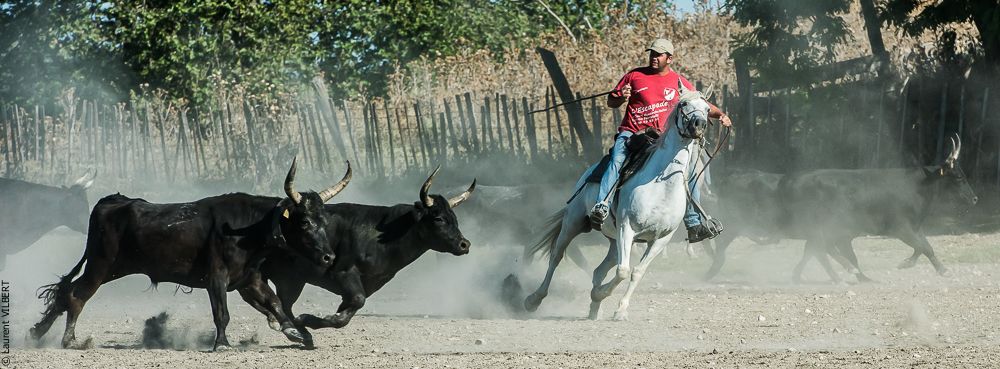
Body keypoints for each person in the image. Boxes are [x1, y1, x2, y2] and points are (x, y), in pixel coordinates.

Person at [590, 38, 732, 243]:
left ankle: (693, 224)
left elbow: (700, 104)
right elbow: (612, 101)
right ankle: (602, 206)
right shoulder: (634, 75)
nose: (653, 58)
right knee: (617, 160)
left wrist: (720, 115)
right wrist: (621, 96)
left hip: (660, 138)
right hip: (633, 132)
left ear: (670, 58)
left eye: (659, 54)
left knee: (689, 171)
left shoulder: (680, 83)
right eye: (652, 53)